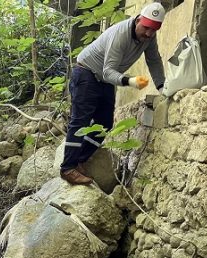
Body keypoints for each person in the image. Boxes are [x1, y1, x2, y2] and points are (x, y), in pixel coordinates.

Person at [60, 2, 166, 185]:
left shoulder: (149, 37)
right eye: (147, 28)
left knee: (105, 123)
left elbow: (154, 60)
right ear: (138, 19)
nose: (149, 34)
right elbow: (109, 71)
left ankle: (79, 160)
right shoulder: (120, 34)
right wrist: (131, 81)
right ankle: (68, 168)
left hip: (104, 80)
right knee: (80, 121)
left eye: (154, 30)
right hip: (87, 73)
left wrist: (162, 86)